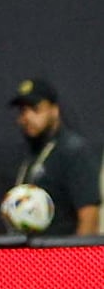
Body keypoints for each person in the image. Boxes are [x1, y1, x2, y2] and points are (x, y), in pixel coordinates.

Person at [7, 77, 101, 235]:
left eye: (35, 109)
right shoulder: (32, 153)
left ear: (54, 110)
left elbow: (89, 217)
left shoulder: (74, 151)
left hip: (60, 255)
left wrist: (78, 258)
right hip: (30, 255)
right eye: (23, 111)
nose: (27, 117)